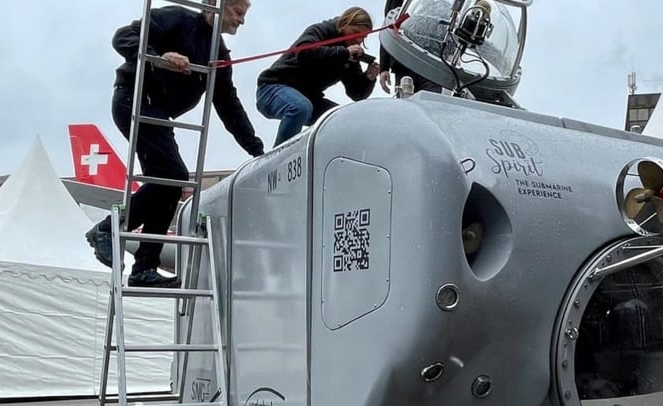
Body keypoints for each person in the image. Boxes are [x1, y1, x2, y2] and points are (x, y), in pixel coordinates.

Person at [85, 0, 265, 288]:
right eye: (238, 12)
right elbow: (123, 36)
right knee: (173, 176)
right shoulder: (177, 18)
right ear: (213, 6)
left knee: (170, 183)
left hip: (158, 112)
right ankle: (107, 229)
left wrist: (257, 149)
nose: (241, 21)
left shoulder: (217, 53)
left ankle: (144, 267)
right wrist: (158, 57)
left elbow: (228, 105)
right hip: (135, 99)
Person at [256, 7, 380, 147]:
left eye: (363, 37)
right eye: (355, 33)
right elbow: (304, 53)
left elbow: (356, 93)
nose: (357, 40)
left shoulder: (349, 53)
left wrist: (369, 77)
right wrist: (343, 53)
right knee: (301, 107)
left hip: (308, 98)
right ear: (345, 23)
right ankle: (279, 158)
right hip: (273, 88)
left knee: (342, 119)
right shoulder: (321, 31)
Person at [378, 0, 444, 96]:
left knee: (430, 104)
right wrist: (384, 67)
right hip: (404, 61)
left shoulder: (444, 5)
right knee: (405, 103)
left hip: (432, 65)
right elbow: (389, 26)